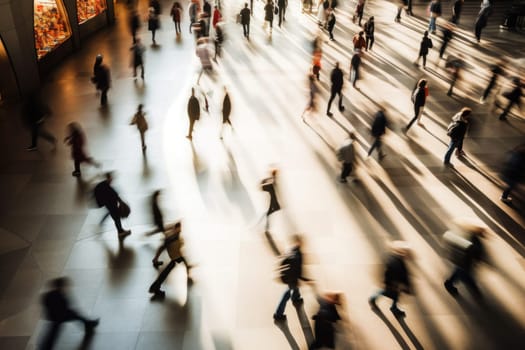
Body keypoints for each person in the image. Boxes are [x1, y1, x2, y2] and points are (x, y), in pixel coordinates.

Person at [40, 277, 99, 350]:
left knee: (53, 334)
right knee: (53, 334)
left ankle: (89, 324)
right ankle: (89, 324)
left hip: (57, 317)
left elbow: (47, 306)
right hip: (61, 316)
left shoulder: (48, 295)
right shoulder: (60, 295)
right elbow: (66, 305)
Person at [369, 241, 412, 318]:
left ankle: (393, 307)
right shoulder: (396, 261)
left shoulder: (398, 260)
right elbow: (395, 273)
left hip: (395, 284)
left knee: (395, 295)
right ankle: (373, 299)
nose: (408, 255)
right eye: (407, 253)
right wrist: (406, 286)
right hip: (391, 284)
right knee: (386, 292)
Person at [149, 222, 192, 298]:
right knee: (168, 270)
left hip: (177, 255)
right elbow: (162, 248)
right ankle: (155, 287)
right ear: (175, 229)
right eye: (179, 229)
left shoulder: (176, 236)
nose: (180, 231)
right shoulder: (170, 238)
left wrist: (155, 258)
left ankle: (155, 287)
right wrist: (156, 258)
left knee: (180, 261)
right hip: (175, 256)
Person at [444, 224, 486, 298]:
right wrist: (478, 259)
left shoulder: (473, 237)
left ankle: (449, 283)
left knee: (460, 271)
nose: (484, 234)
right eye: (483, 232)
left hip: (463, 260)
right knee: (466, 277)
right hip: (464, 261)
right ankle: (476, 293)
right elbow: (473, 250)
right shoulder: (474, 239)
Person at [273, 234, 306, 321]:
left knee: (294, 288)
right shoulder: (297, 255)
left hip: (290, 277)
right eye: (301, 241)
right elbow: (298, 269)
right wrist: (303, 279)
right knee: (287, 294)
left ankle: (296, 298)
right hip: (293, 278)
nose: (303, 243)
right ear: (299, 242)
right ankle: (278, 314)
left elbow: (284, 261)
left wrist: (280, 271)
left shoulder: (292, 250)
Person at [94, 172, 132, 239]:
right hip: (109, 203)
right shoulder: (105, 186)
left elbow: (114, 195)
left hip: (109, 203)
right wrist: (120, 202)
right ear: (108, 178)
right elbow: (114, 195)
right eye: (111, 178)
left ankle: (119, 230)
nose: (112, 179)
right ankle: (120, 231)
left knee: (114, 216)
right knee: (116, 217)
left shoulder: (105, 185)